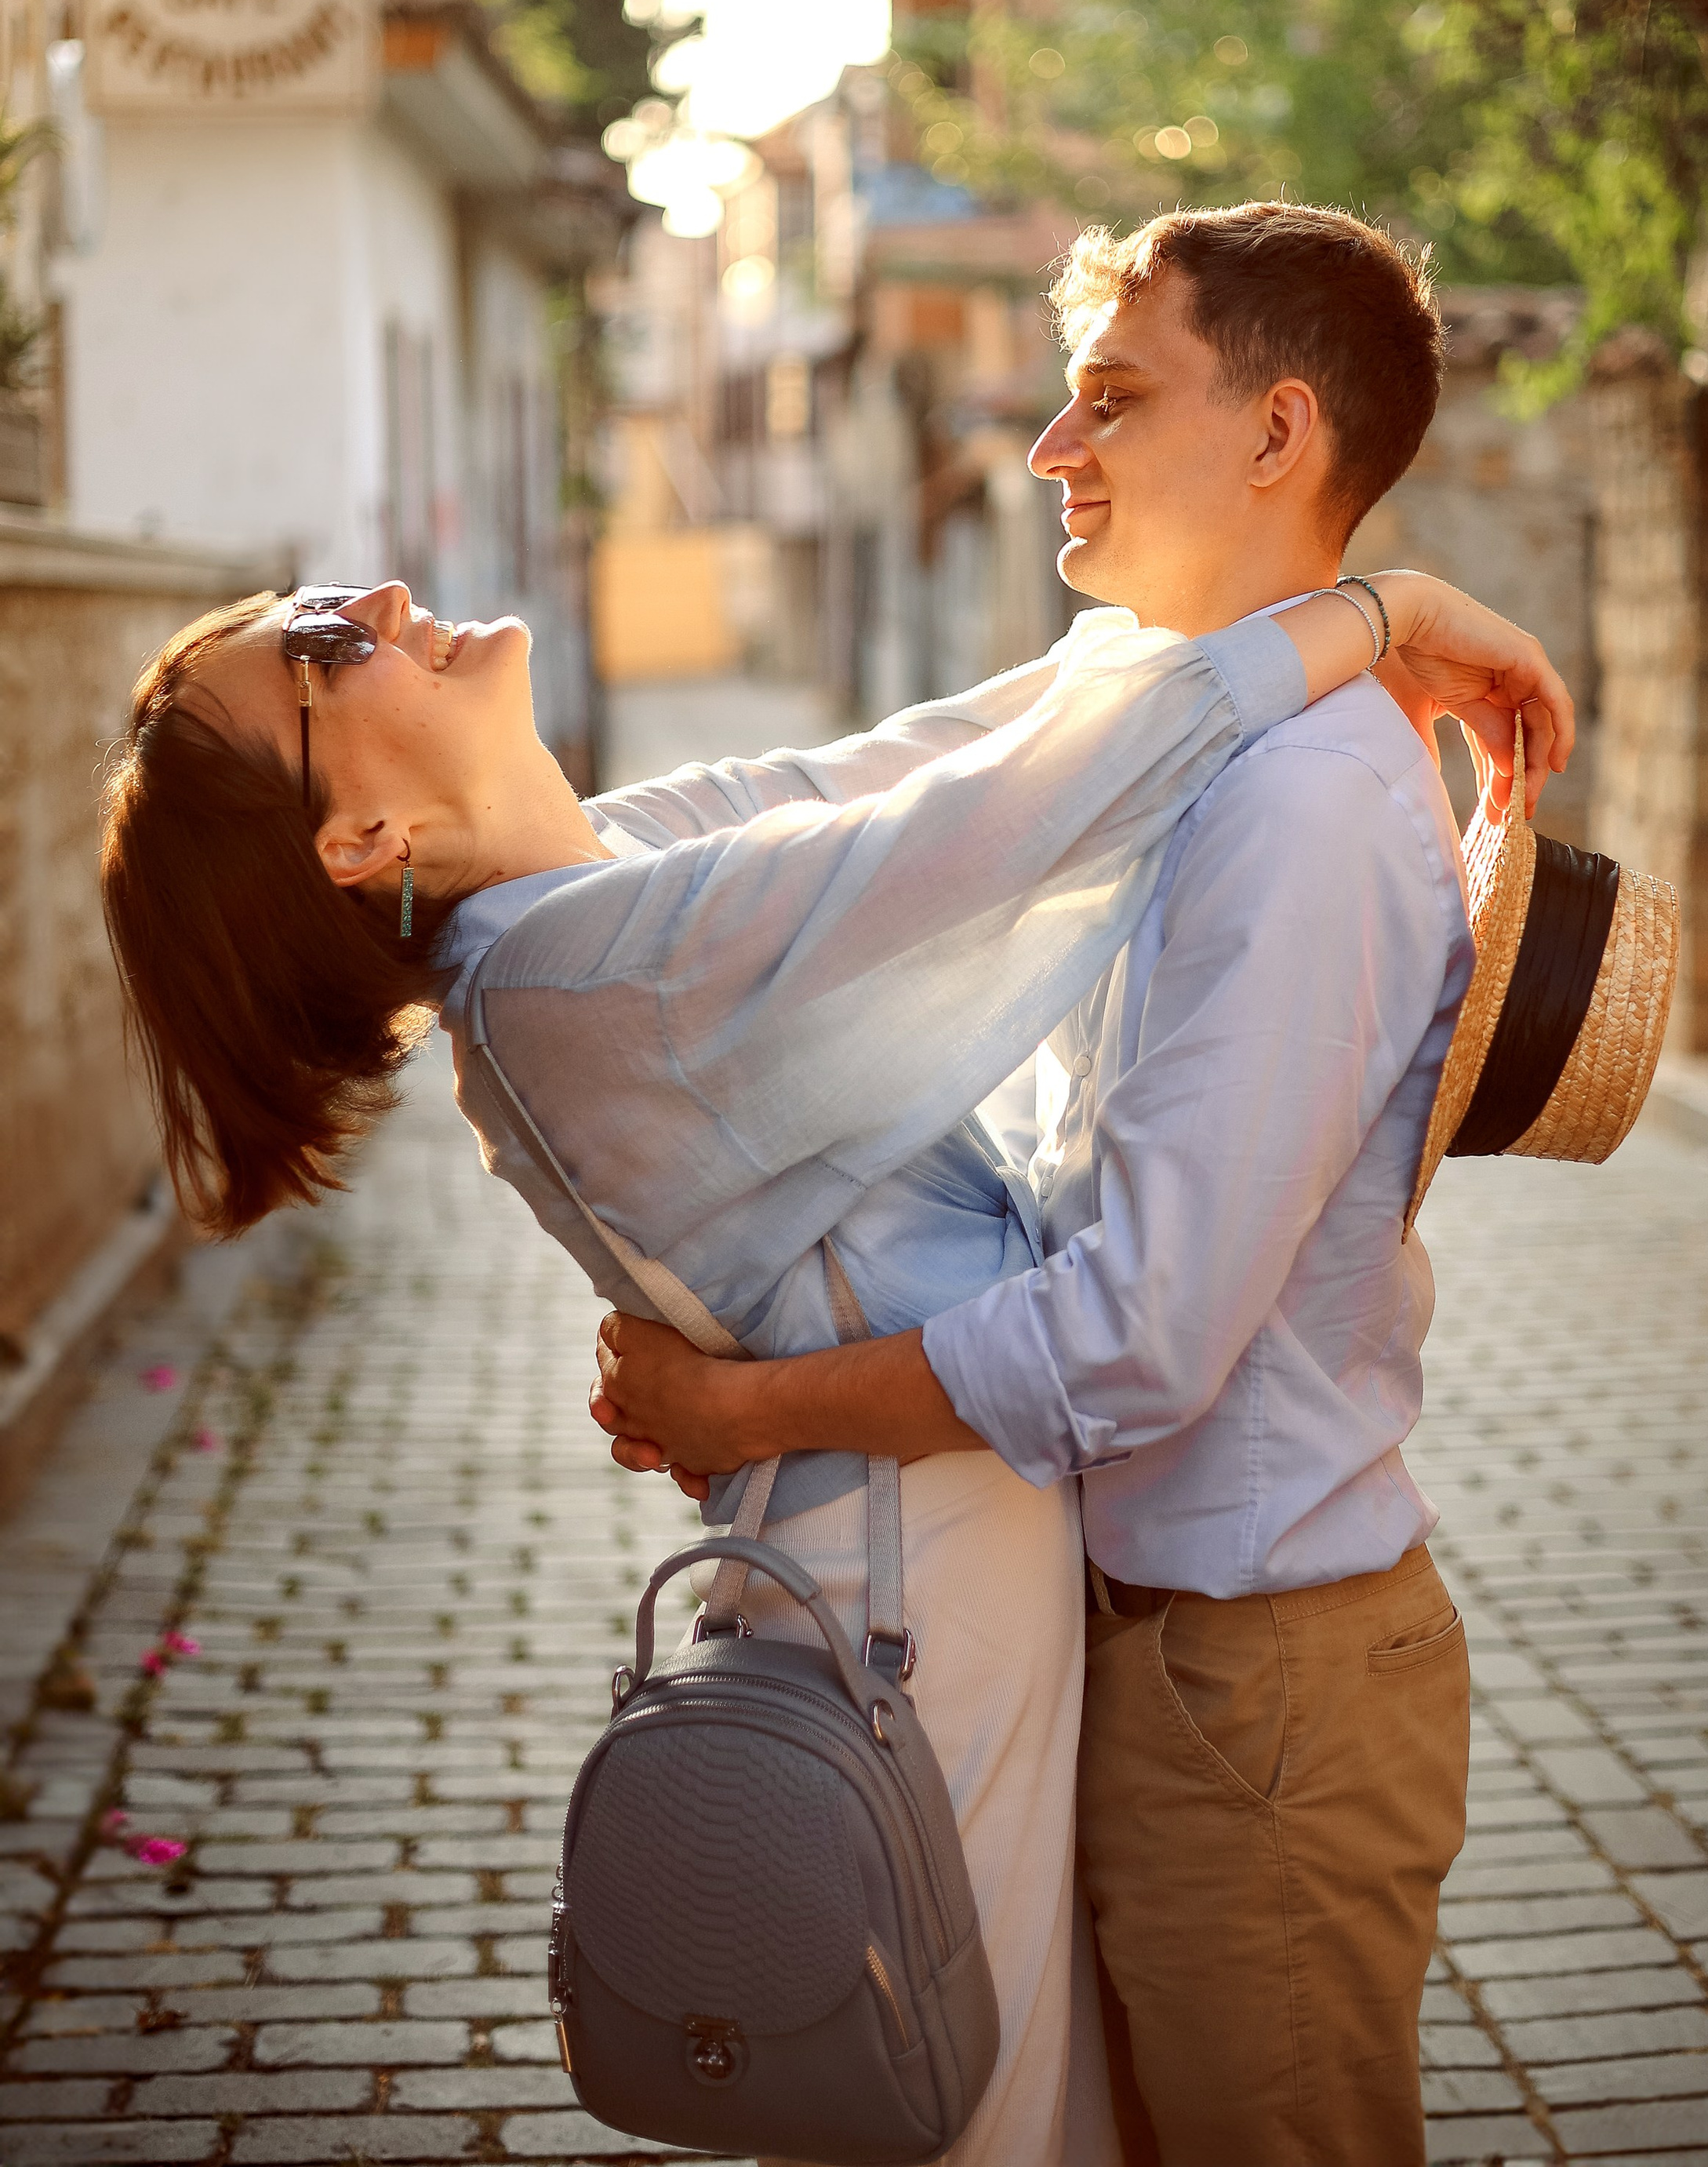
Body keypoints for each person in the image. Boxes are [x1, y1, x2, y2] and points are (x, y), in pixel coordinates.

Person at [97, 234, 1568, 2167]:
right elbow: (997, 818)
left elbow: (928, 764)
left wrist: (1340, 617)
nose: (367, 598)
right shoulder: (579, 978)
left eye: (1112, 399)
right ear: (359, 837)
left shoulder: (590, 895)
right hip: (927, 1619)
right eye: (314, 650)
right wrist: (1372, 606)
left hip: (1037, 1600)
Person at [591, 200, 1517, 2167]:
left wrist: (749, 1406)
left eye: (1109, 398)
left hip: (1252, 1690)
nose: (1046, 451)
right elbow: (838, 810)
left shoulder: (1301, 814)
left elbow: (1139, 1338)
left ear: (1275, 437)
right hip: (1172, 1663)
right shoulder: (1185, 738)